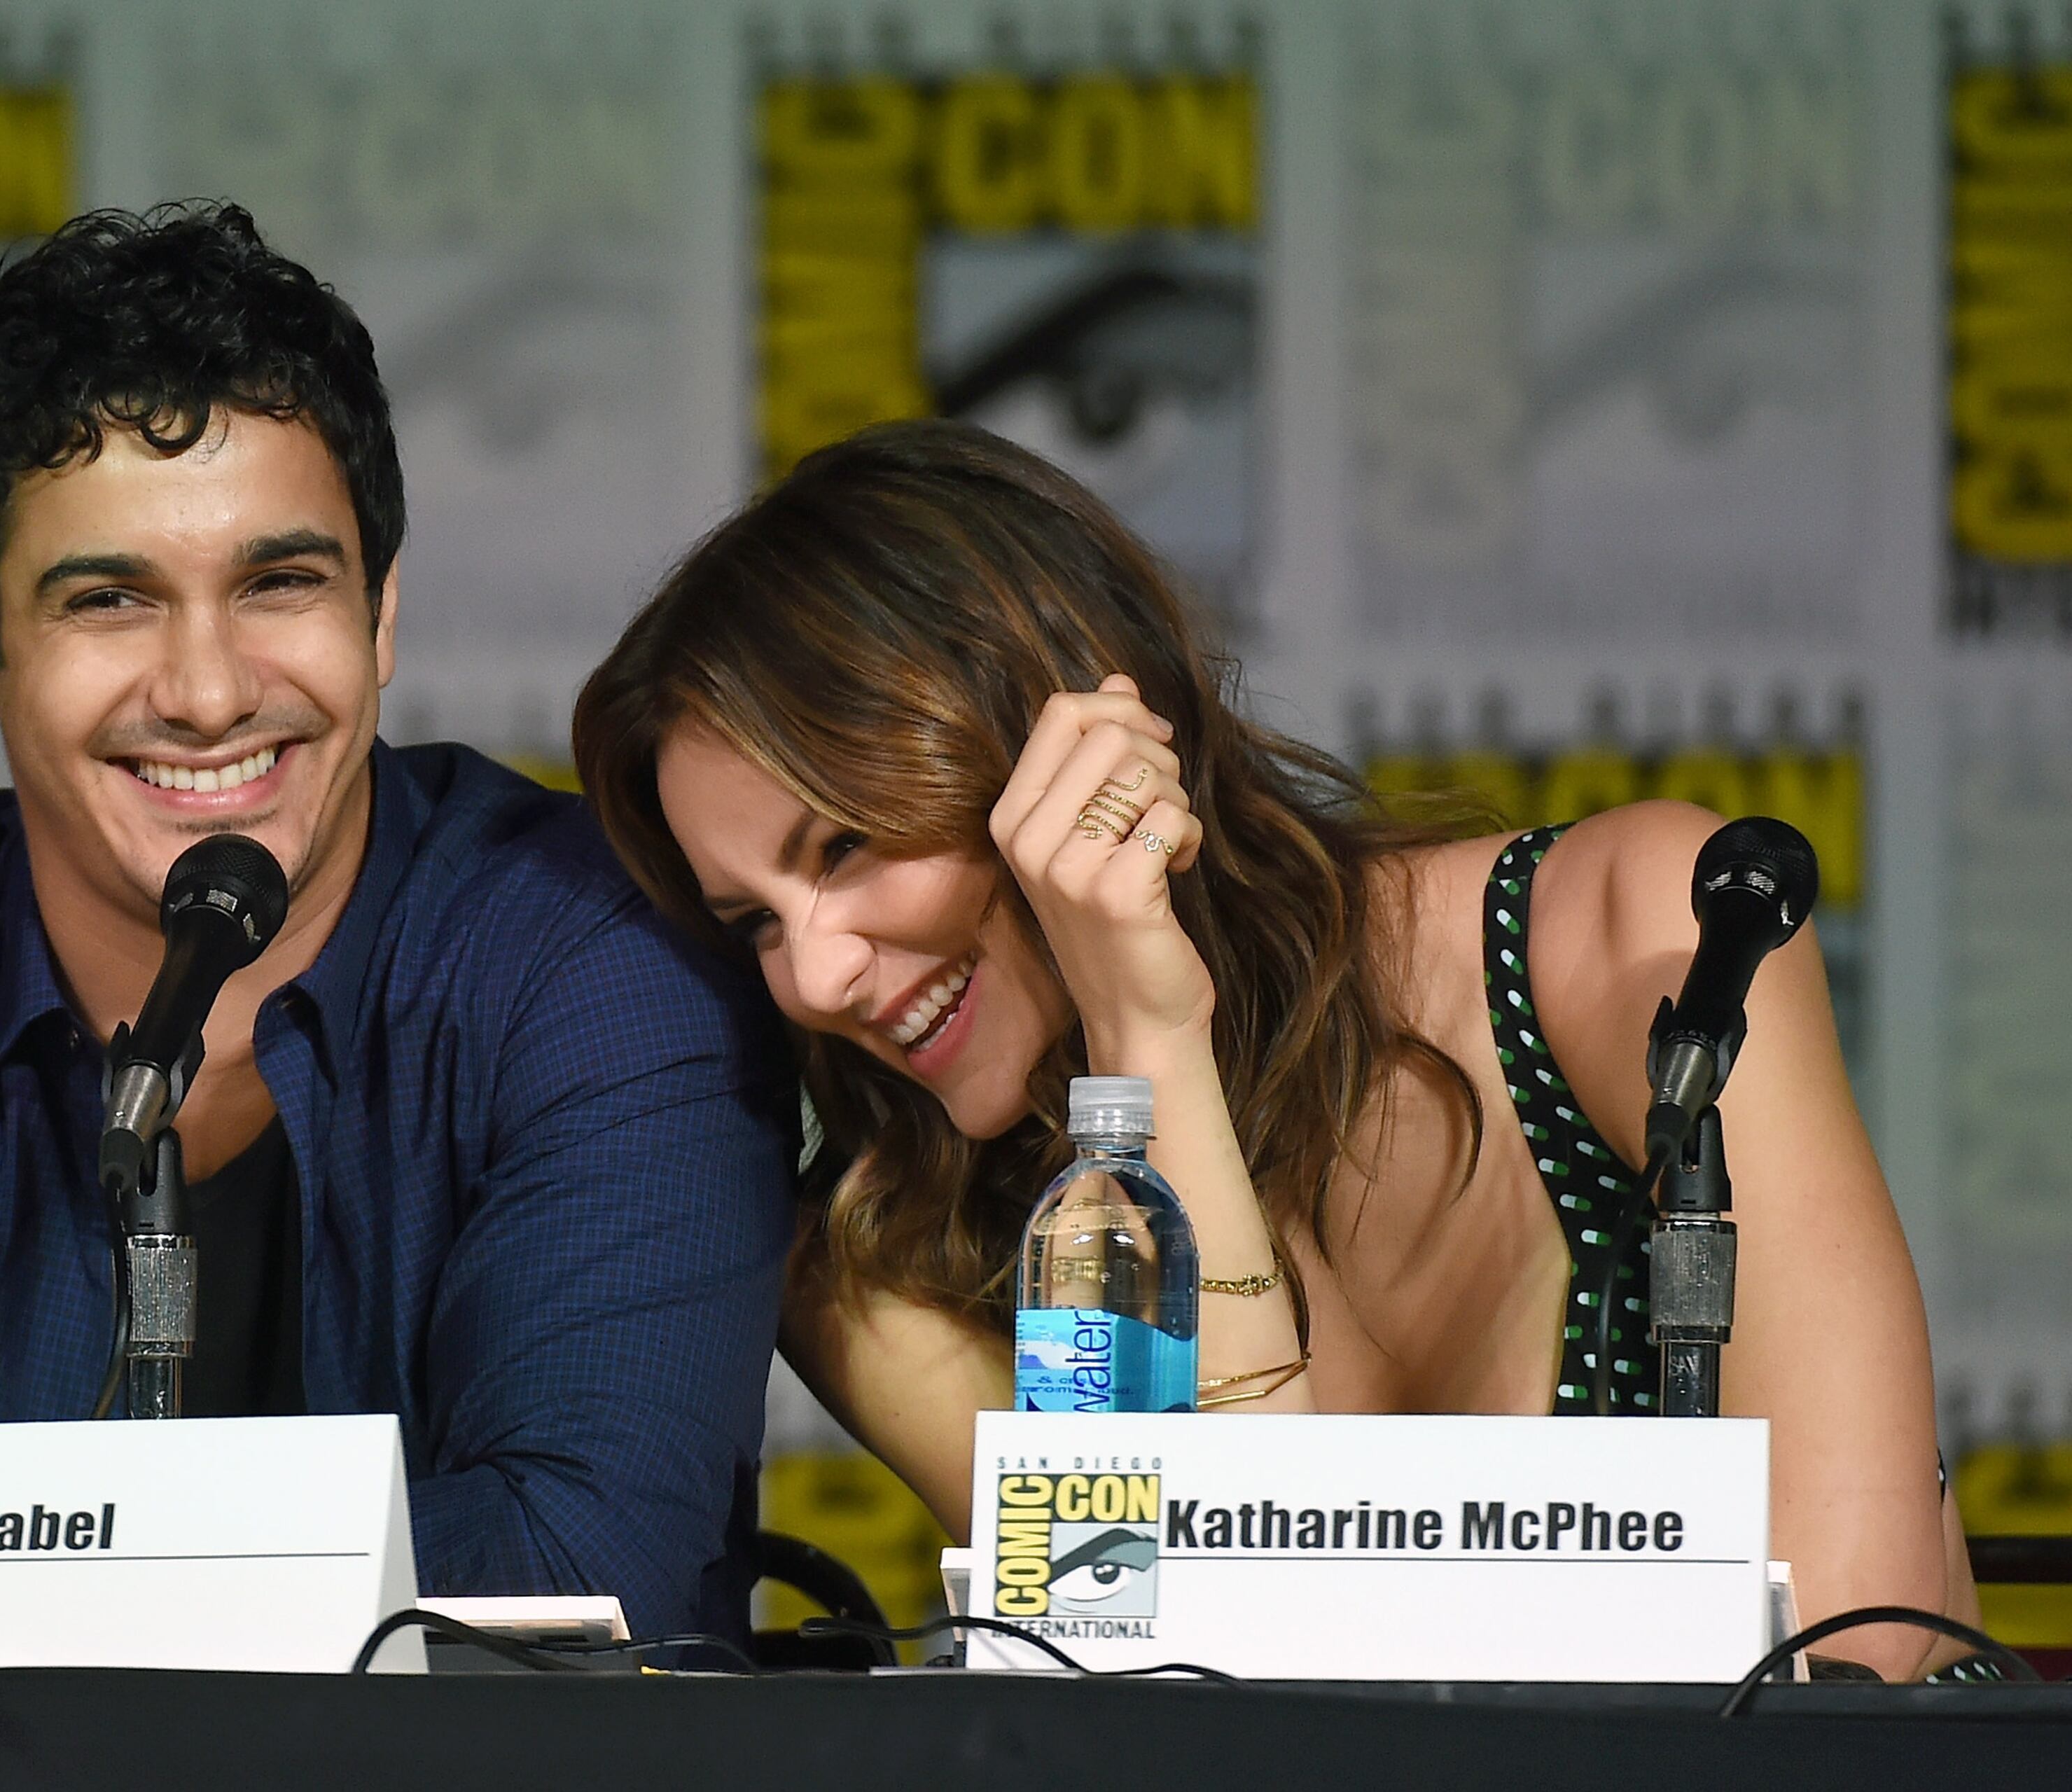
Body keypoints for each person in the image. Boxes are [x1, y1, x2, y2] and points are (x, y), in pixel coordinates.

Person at [0, 204, 795, 1641]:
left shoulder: (594, 948)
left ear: (381, 614)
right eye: (110, 599)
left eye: (280, 583)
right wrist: (178, 1557)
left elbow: (591, 1550)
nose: (208, 688)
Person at [571, 418, 1976, 1676]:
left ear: (1060, 740)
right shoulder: (879, 1262)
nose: (816, 975)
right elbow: (1203, 1699)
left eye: (851, 844)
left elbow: (1866, 1649)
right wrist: (1147, 1037)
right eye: (752, 920)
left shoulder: (1639, 939)